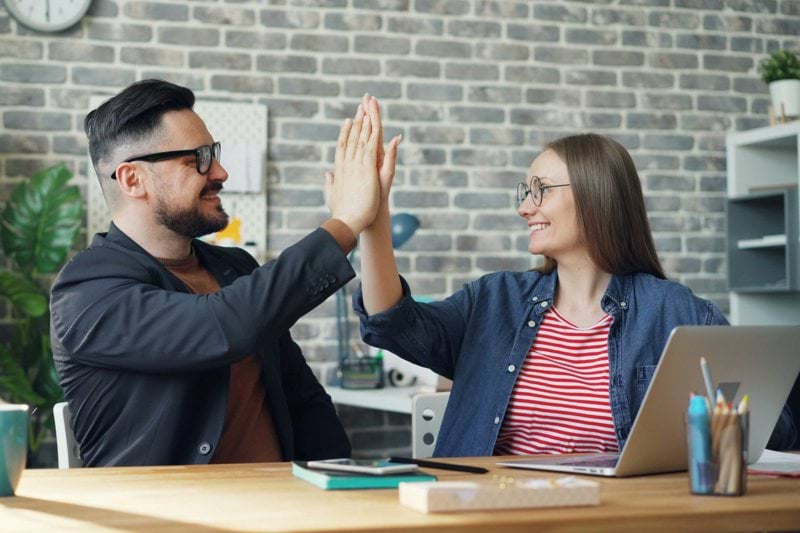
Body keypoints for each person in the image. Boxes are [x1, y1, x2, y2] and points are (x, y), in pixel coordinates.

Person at [346, 120, 798, 456]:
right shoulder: (493, 302)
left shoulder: (674, 313)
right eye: (525, 191)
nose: (525, 207)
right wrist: (374, 221)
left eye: (540, 190)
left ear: (596, 194)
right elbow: (391, 323)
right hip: (492, 516)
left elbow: (778, 426)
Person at [50, 79, 386, 466]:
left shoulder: (236, 268)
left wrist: (337, 486)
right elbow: (223, 326)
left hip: (280, 508)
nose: (221, 172)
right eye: (199, 159)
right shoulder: (85, 291)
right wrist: (344, 225)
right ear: (132, 179)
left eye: (215, 154)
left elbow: (302, 399)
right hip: (164, 519)